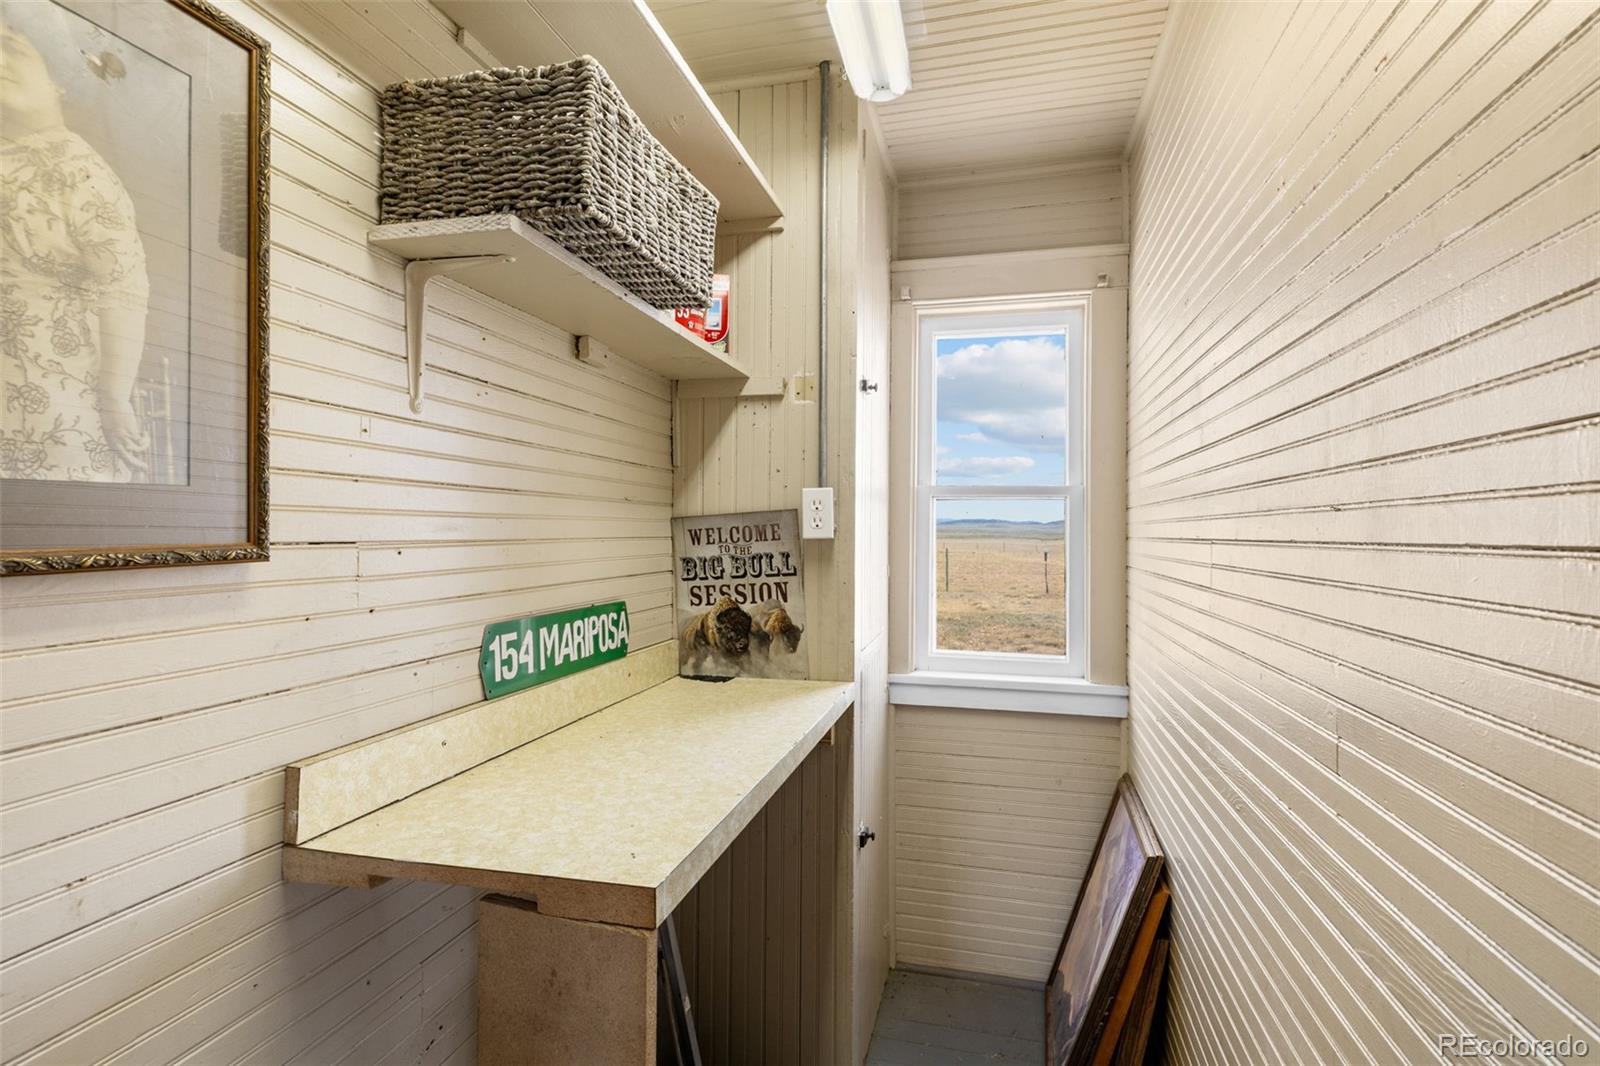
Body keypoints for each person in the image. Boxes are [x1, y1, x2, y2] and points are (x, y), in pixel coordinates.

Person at [1, 20, 150, 482]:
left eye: (11, 49)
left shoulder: (79, 168)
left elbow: (123, 287)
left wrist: (114, 396)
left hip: (53, 399)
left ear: (57, 82)